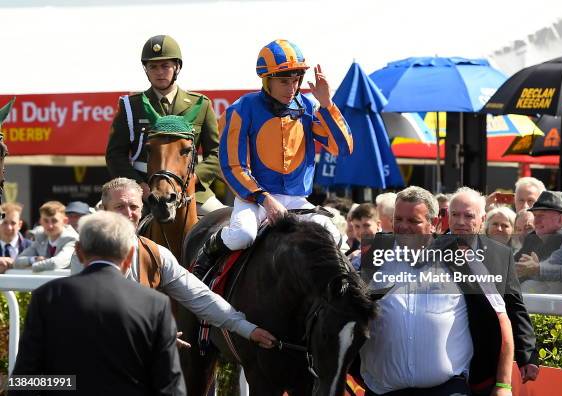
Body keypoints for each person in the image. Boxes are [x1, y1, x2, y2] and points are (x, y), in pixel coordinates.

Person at [193, 39, 352, 276]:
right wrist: (265, 199)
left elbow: (342, 147)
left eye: (296, 81)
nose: (292, 88)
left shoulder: (308, 106)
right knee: (242, 236)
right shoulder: (242, 108)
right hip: (253, 199)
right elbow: (233, 165)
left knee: (337, 238)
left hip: (296, 199)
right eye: (284, 81)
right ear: (267, 81)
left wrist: (327, 104)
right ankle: (206, 257)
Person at [360, 186, 538, 395]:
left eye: (413, 221)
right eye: (398, 219)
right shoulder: (373, 256)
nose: (403, 227)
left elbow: (504, 316)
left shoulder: (462, 258)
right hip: (383, 389)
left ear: (434, 223)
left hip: (449, 387)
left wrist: (503, 383)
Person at [72, 177, 276, 347]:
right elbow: (89, 313)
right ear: (104, 210)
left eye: (133, 206)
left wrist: (248, 329)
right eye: (119, 206)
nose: (128, 213)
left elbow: (200, 297)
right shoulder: (85, 252)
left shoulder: (156, 254)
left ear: (143, 209)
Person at [11, 211, 186, 395]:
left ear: (78, 251)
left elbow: (25, 379)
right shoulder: (155, 304)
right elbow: (170, 386)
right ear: (130, 255)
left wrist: (69, 383)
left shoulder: (47, 297)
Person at [106, 35, 223, 215]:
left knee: (227, 223)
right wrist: (138, 185)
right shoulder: (131, 106)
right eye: (153, 67)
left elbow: (215, 154)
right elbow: (115, 155)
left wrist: (195, 178)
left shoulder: (201, 104)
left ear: (176, 67)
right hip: (144, 192)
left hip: (191, 190)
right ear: (146, 70)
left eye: (165, 66)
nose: (159, 72)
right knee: (113, 231)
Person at [514, 191, 562, 278]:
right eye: (535, 216)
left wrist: (536, 268)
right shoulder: (532, 238)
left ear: (561, 220)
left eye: (541, 216)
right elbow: (513, 265)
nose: (536, 222)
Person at [14, 201, 78, 272]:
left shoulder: (72, 239)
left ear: (65, 221)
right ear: (40, 221)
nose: (50, 226)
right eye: (46, 221)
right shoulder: (40, 236)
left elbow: (55, 263)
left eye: (54, 221)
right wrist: (34, 259)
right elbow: (17, 261)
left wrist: (31, 267)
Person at [0, 202, 32, 273]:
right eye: (4, 223)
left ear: (20, 225)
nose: (9, 228)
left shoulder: (31, 247)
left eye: (13, 223)